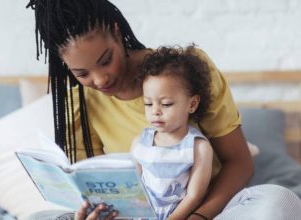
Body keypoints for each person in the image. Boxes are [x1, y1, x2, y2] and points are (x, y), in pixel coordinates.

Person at [25, 0, 301, 219]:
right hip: (139, 216)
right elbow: (97, 189)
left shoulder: (184, 72)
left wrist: (198, 216)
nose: (100, 80)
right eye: (81, 73)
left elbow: (239, 162)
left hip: (213, 210)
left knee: (278, 201)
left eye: (106, 60)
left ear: (117, 32)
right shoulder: (79, 106)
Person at [131, 46, 213, 220]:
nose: (155, 111)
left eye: (166, 104)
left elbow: (194, 196)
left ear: (192, 104)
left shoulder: (198, 147)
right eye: (148, 104)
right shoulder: (140, 142)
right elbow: (134, 189)